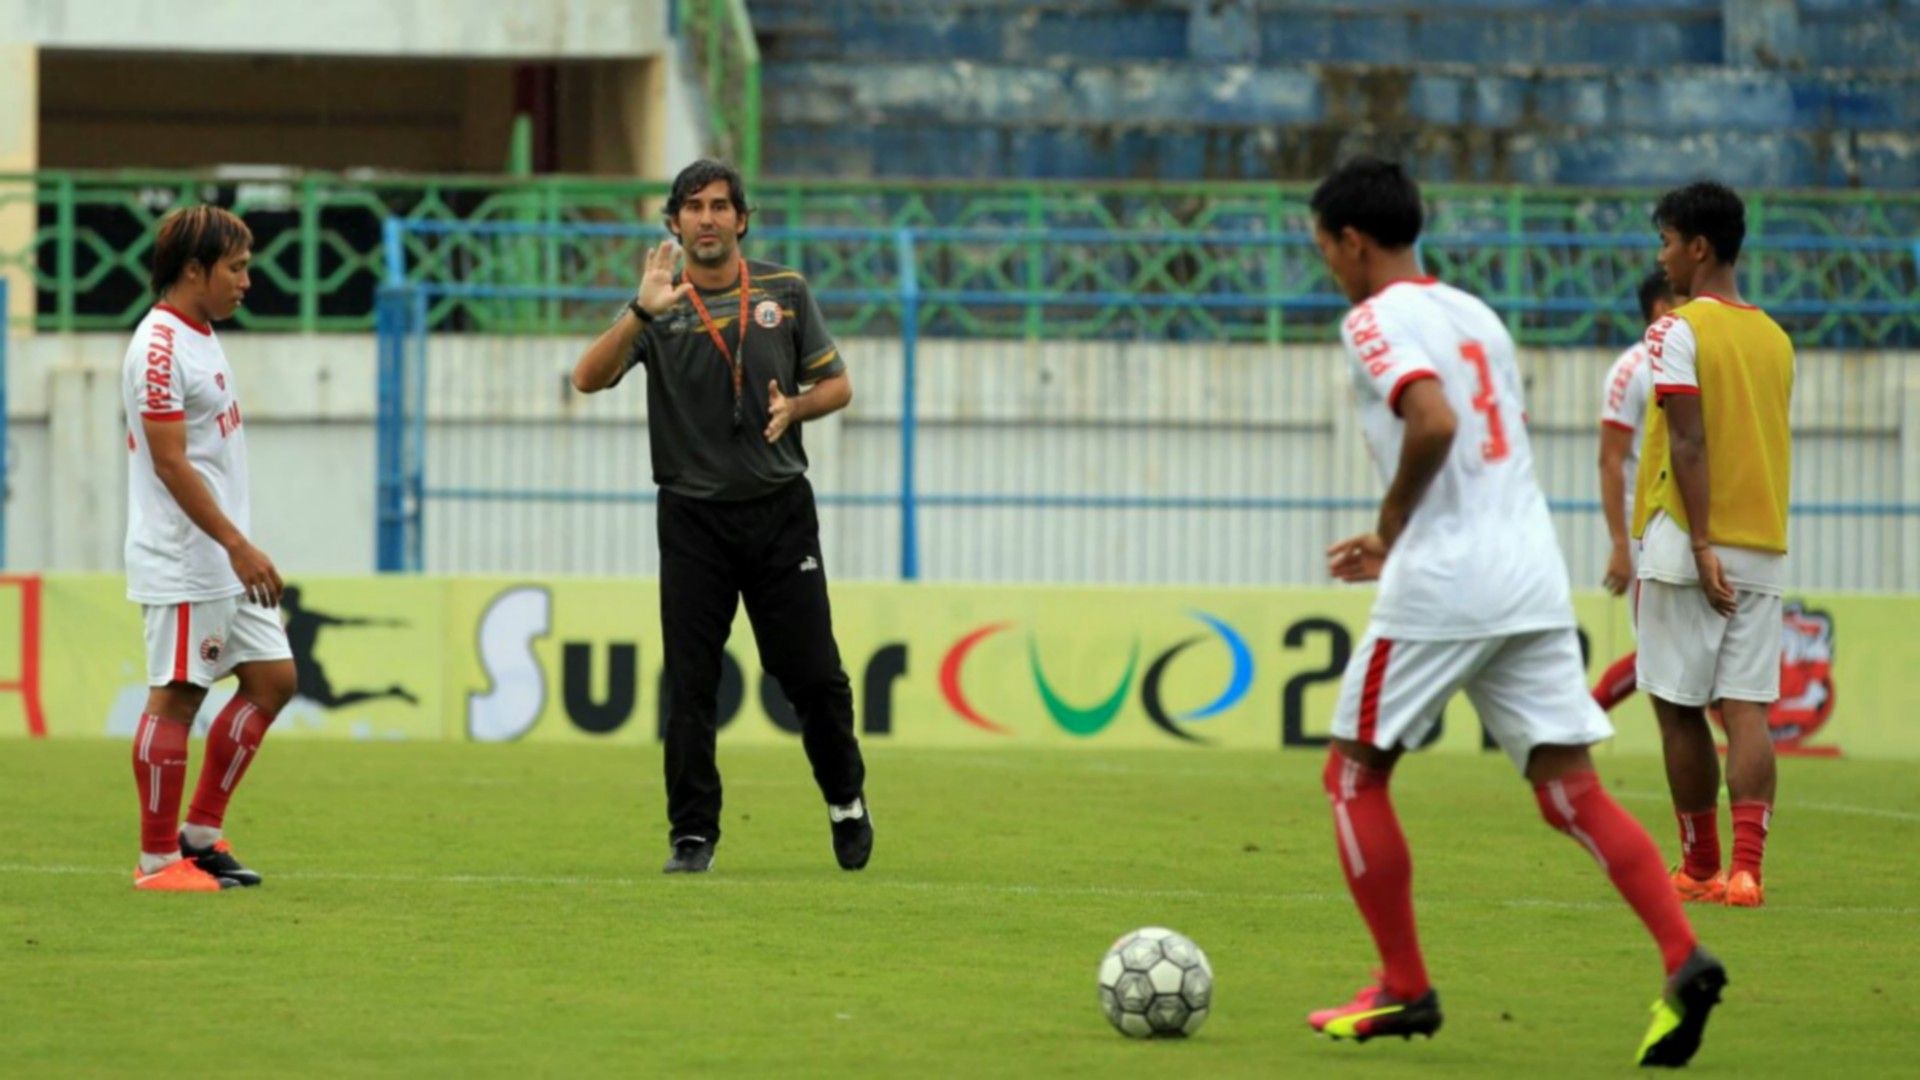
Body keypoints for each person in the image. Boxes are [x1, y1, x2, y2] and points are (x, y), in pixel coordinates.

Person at [1303, 157, 1723, 1066]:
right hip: (1530, 572)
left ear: (1352, 241)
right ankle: (1683, 955)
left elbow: (1434, 423)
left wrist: (1388, 529)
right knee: (1569, 786)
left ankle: (1404, 986)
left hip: (1445, 579)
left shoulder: (1375, 318)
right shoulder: (1475, 313)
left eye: (1325, 250)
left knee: (1354, 776)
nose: (1329, 268)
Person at [569, 159, 870, 875]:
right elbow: (585, 378)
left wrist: (795, 406)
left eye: (720, 206)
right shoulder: (658, 304)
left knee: (811, 675)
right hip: (692, 518)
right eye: (693, 207)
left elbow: (839, 385)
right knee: (692, 682)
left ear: (741, 219)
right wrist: (640, 310)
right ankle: (693, 833)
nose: (707, 218)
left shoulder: (784, 291)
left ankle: (845, 799)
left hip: (779, 512)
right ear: (674, 223)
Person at [122, 205, 296, 892]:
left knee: (272, 680)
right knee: (177, 699)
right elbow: (170, 463)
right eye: (236, 267)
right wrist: (236, 544)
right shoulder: (158, 348)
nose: (247, 281)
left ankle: (200, 833)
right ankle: (158, 860)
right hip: (189, 556)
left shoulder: (201, 332)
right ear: (194, 270)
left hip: (222, 556)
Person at [1632, 181, 1793, 909]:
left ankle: (1700, 865)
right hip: (1764, 541)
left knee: (1676, 706)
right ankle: (1748, 872)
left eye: (1666, 241)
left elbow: (1690, 443)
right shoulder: (1774, 336)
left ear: (1698, 246)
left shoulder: (1674, 331)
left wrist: (1699, 543)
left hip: (1690, 543)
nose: (1661, 257)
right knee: (1748, 709)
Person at [1591, 269, 1678, 711]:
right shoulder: (1631, 371)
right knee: (1659, 654)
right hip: (1646, 530)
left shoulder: (1695, 361)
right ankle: (1582, 716)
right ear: (1662, 309)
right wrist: (1620, 546)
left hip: (1687, 526)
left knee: (1688, 653)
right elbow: (1610, 461)